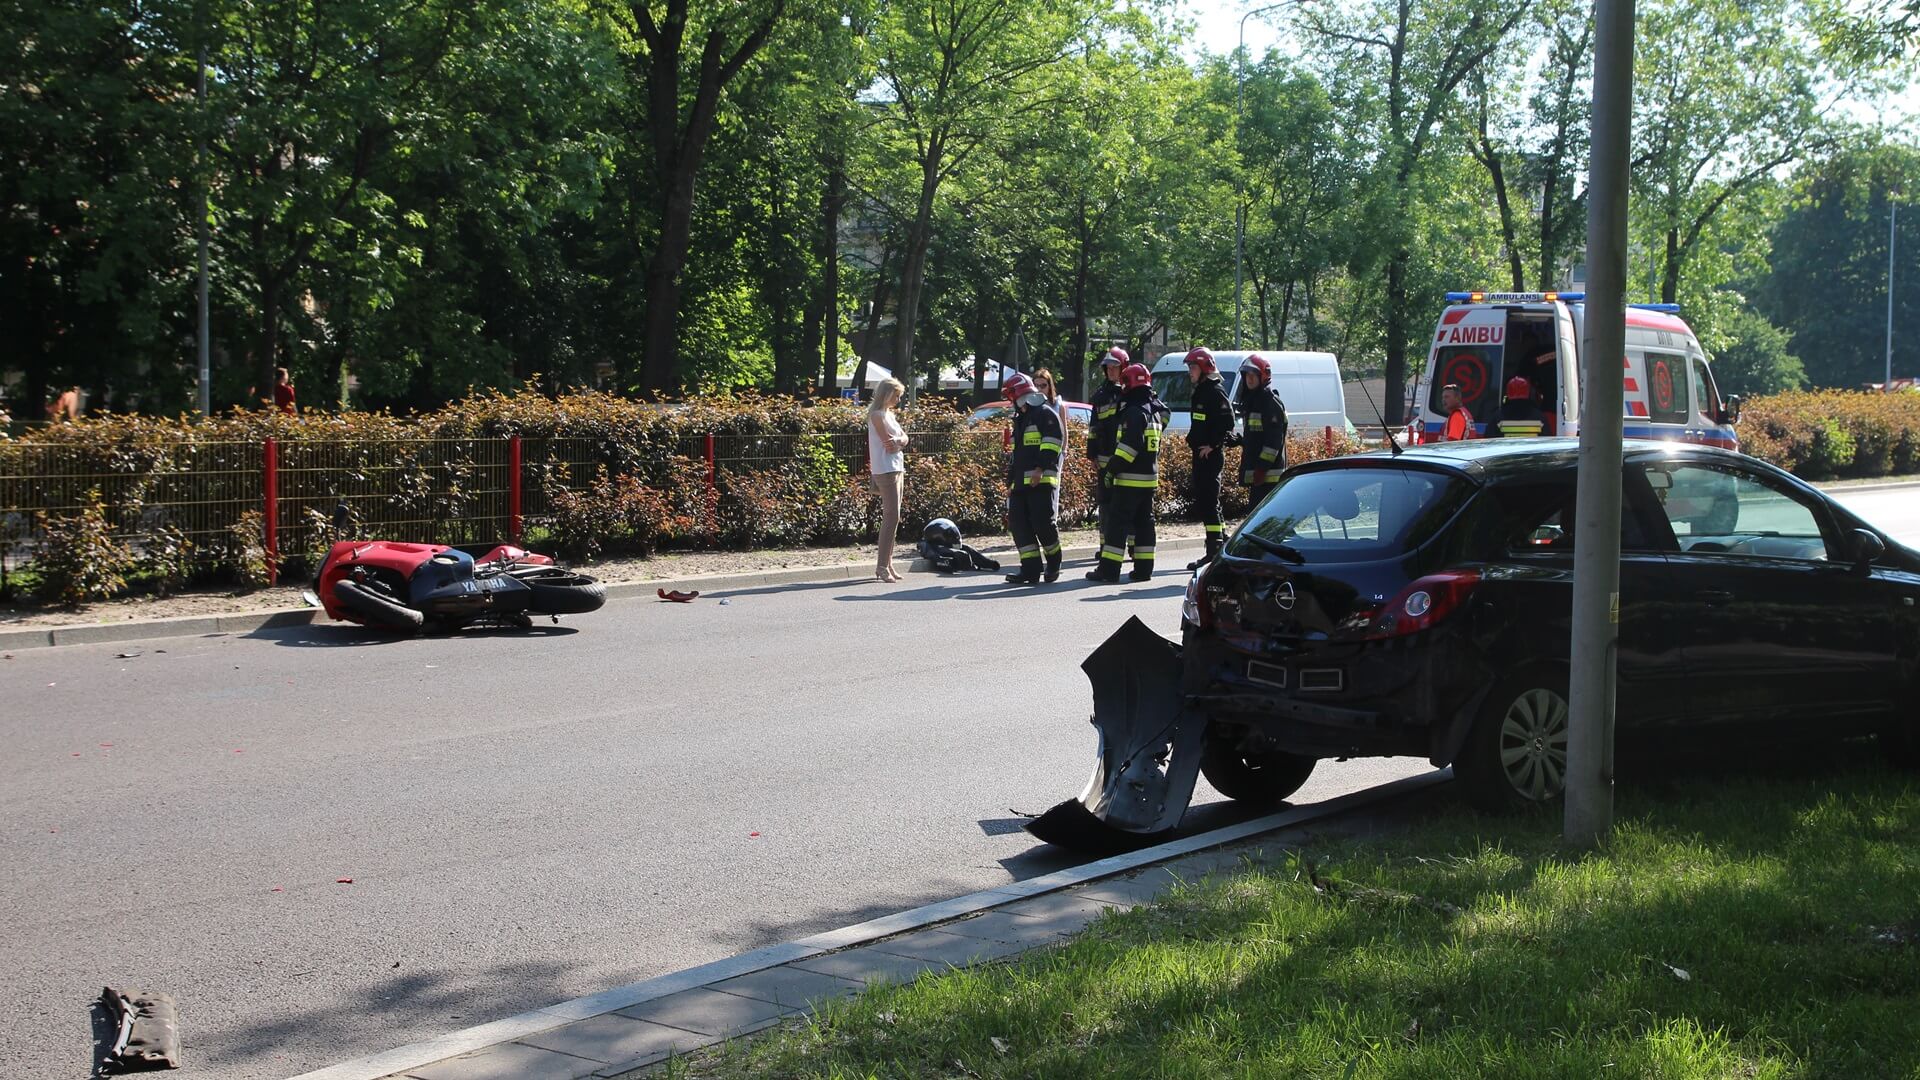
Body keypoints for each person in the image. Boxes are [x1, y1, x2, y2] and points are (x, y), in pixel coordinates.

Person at [1088, 362, 1160, 582]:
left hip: (1129, 480)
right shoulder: (1153, 412)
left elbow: (1129, 447)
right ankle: (1143, 570)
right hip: (1149, 480)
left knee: (1117, 525)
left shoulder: (1133, 412)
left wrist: (1111, 470)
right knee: (1144, 524)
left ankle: (1108, 570)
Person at [1001, 371, 1064, 584]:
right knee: (1018, 524)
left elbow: (1053, 441)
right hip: (1020, 484)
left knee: (1042, 524)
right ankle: (1030, 570)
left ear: (1020, 394)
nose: (1011, 402)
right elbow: (1016, 455)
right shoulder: (1021, 418)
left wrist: (1040, 468)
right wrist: (1010, 481)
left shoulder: (1044, 414)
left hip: (1041, 480)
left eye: (1012, 397)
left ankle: (1054, 561)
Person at [1183, 347, 1232, 568]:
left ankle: (1213, 553)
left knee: (1209, 503)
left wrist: (1212, 445)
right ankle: (1222, 546)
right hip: (1200, 455)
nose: (1190, 372)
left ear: (1204, 369)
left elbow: (1227, 423)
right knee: (1207, 502)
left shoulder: (1214, 391)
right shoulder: (1201, 391)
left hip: (1210, 457)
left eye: (1193, 367)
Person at [1086, 347, 1129, 560]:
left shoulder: (1131, 392)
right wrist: (1091, 454)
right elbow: (1093, 427)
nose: (1112, 371)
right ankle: (1105, 546)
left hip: (1126, 460)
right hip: (1104, 459)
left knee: (1125, 504)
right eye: (1108, 368)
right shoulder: (1101, 395)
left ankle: (1131, 545)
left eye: (1115, 367)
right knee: (1105, 504)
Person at [867, 377, 910, 581]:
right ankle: (882, 566)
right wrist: (899, 441)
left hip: (896, 467)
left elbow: (903, 438)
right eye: (897, 395)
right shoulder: (877, 415)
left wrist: (900, 441)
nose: (898, 400)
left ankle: (888, 564)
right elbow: (889, 444)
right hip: (885, 469)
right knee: (891, 516)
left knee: (895, 516)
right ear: (887, 393)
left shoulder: (889, 415)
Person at [1235, 352, 1288, 509]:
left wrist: (1262, 468)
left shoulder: (1270, 403)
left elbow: (1273, 441)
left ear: (1263, 376)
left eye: (1253, 375)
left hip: (1269, 477)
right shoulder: (1254, 401)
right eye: (1247, 375)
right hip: (1260, 477)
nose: (1249, 379)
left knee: (1264, 521)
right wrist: (1239, 441)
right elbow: (1257, 438)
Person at [917, 518, 1001, 574]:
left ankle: (988, 563)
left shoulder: (961, 548)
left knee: (966, 548)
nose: (955, 537)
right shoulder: (929, 548)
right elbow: (943, 562)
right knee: (961, 553)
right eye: (950, 535)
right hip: (944, 553)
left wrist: (990, 564)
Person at [1032, 367, 1071, 459]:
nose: (1039, 389)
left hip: (1055, 451)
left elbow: (1064, 430)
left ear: (1049, 386)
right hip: (1035, 451)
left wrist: (1064, 450)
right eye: (1036, 386)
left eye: (1043, 385)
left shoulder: (1059, 406)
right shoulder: (1030, 406)